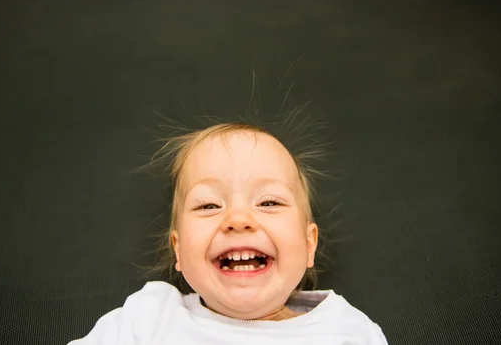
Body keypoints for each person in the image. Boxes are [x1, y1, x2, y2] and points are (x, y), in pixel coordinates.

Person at [68, 121, 388, 344]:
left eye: (268, 201)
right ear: (178, 249)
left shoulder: (346, 330)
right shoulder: (148, 317)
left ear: (309, 245)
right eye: (208, 205)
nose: (237, 219)